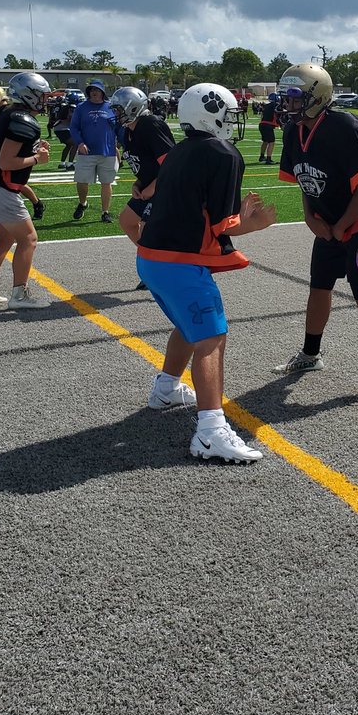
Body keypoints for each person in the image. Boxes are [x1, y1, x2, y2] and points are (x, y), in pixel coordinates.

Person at [136, 83, 276, 462]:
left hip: (151, 258)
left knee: (188, 324)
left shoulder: (178, 151)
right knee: (211, 337)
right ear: (211, 114)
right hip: (177, 261)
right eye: (229, 113)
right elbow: (222, 225)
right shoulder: (222, 153)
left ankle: (165, 387)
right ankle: (211, 432)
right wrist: (255, 224)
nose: (233, 121)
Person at [274, 63, 358, 398]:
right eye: (286, 96)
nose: (287, 104)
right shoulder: (293, 131)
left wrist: (341, 227)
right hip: (327, 219)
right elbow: (305, 181)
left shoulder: (345, 127)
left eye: (294, 96)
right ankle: (311, 354)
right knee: (319, 286)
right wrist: (311, 219)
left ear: (317, 96)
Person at [0, 72, 52, 309]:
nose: (45, 100)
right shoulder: (23, 120)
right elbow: (6, 162)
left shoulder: (11, 114)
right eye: (41, 95)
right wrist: (37, 158)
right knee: (28, 239)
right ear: (29, 95)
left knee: (5, 238)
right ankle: (20, 296)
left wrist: (34, 149)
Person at [109, 86, 175, 249]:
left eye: (118, 110)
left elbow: (172, 163)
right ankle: (149, 255)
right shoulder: (127, 131)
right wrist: (138, 183)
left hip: (166, 186)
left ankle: (155, 259)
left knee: (148, 230)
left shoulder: (150, 125)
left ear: (132, 107)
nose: (116, 115)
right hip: (150, 186)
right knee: (127, 221)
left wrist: (152, 187)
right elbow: (144, 162)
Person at [69, 79, 118, 223]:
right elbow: (74, 128)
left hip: (107, 152)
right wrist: (80, 143)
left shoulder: (112, 107)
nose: (94, 92)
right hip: (86, 152)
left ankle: (105, 212)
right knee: (82, 181)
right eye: (91, 90)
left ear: (102, 92)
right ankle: (83, 203)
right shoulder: (81, 107)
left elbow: (119, 126)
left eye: (97, 90)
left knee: (106, 182)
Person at [258, 92, 281, 163]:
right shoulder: (276, 105)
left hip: (262, 124)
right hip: (268, 125)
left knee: (265, 141)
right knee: (271, 142)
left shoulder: (267, 106)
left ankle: (262, 156)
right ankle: (268, 159)